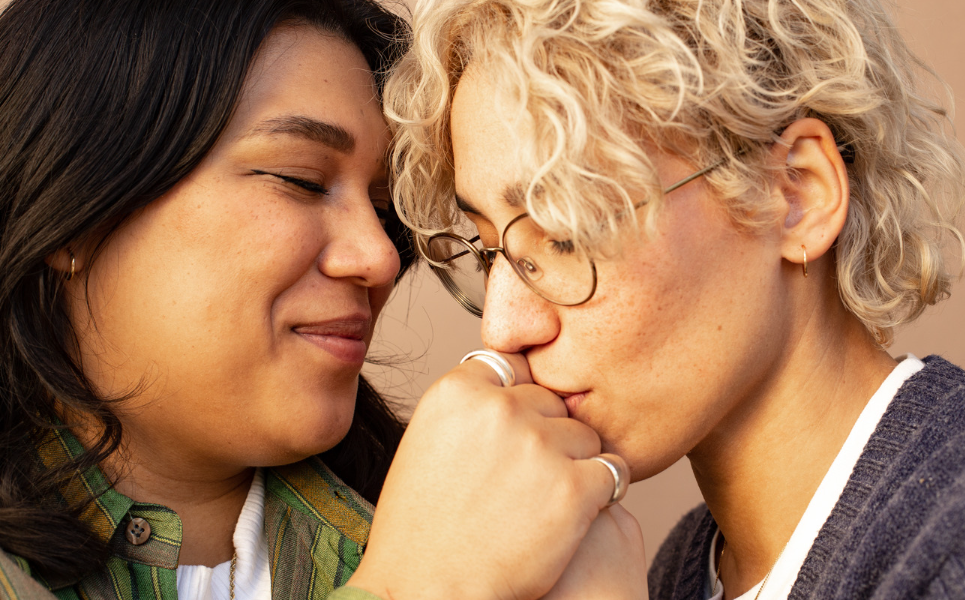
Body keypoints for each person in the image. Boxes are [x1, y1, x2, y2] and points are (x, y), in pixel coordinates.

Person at [387, 0, 965, 598]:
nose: (501, 327)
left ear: (796, 194)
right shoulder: (669, 577)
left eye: (562, 235)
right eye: (491, 251)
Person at [0, 1, 641, 599]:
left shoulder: (513, 543)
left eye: (384, 207)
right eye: (301, 180)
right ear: (76, 210)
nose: (380, 257)